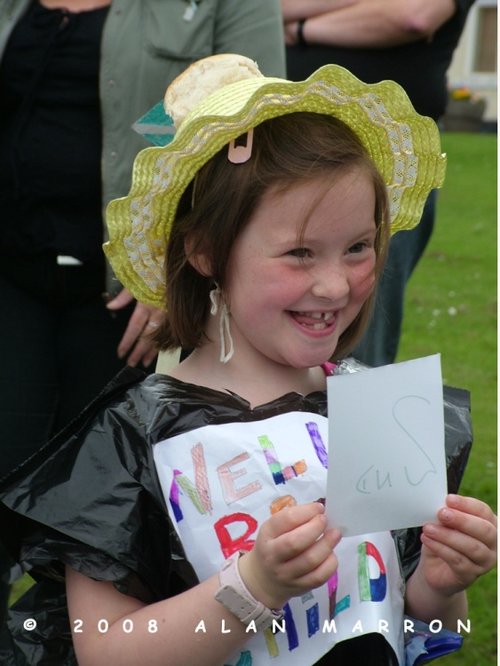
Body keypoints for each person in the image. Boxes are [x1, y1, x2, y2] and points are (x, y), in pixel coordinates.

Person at [0, 55, 496, 666]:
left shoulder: (377, 410)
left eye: (359, 248)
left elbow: (406, 619)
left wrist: (443, 586)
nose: (336, 285)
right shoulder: (131, 441)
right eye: (299, 253)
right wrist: (251, 588)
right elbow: (108, 650)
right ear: (206, 251)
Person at [0, 0, 285, 622]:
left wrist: (169, 271)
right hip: (12, 276)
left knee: (102, 518)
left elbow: (253, 135)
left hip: (125, 299)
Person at [281, 0, 476, 366]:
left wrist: (303, 30)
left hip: (389, 156)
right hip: (285, 147)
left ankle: (351, 421)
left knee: (356, 328)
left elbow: (413, 14)